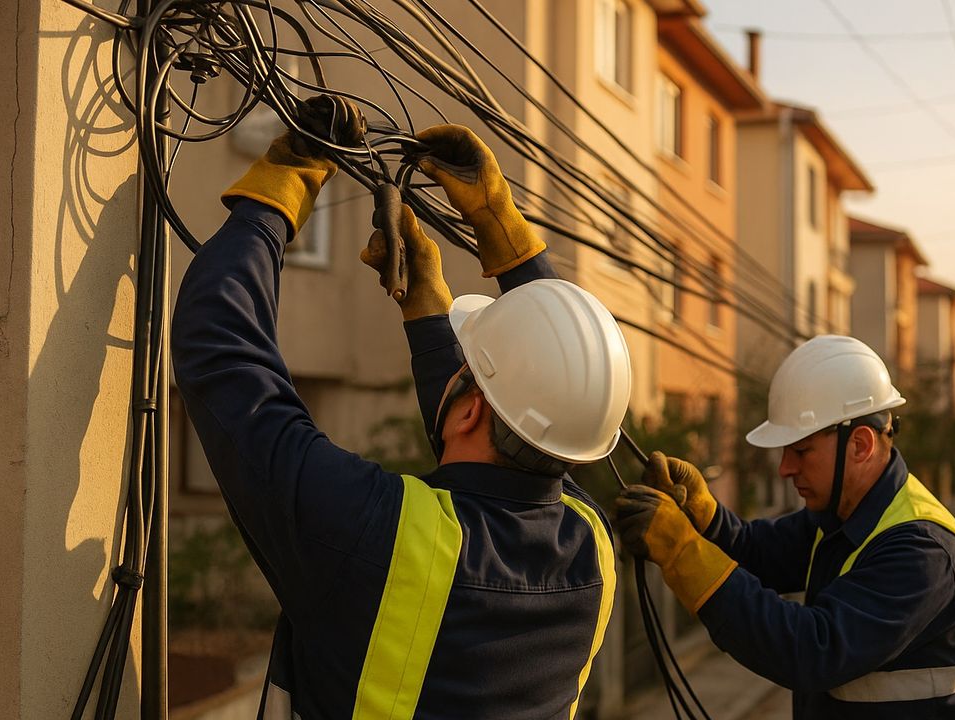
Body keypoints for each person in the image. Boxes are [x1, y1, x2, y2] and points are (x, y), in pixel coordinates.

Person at [171, 97, 631, 719]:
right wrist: (460, 278)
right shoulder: (592, 549)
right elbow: (553, 402)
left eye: (464, 377)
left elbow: (223, 349)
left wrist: (281, 185)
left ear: (467, 413)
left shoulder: (365, 530)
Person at [614, 336, 955, 719]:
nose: (785, 468)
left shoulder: (923, 553)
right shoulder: (843, 514)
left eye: (801, 451)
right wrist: (704, 516)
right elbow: (757, 552)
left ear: (860, 445)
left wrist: (683, 552)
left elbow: (812, 650)